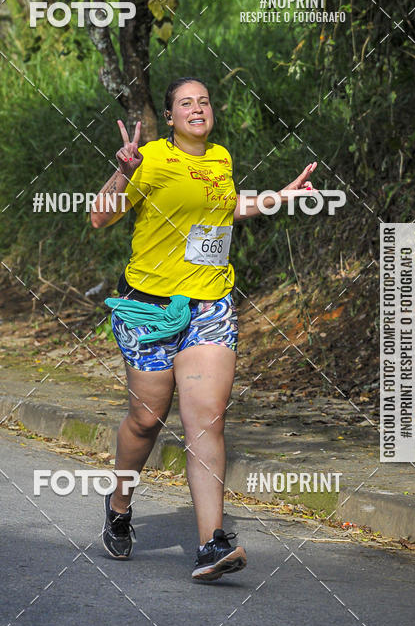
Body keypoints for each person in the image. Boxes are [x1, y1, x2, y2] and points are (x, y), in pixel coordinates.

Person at [91, 77, 317, 581]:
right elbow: (99, 218)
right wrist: (121, 172)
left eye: (204, 101)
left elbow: (227, 208)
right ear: (170, 117)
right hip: (148, 309)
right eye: (185, 104)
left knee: (206, 419)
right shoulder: (148, 158)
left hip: (208, 305)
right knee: (146, 421)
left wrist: (280, 196)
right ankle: (120, 503)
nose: (197, 109)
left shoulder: (220, 157)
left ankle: (211, 544)